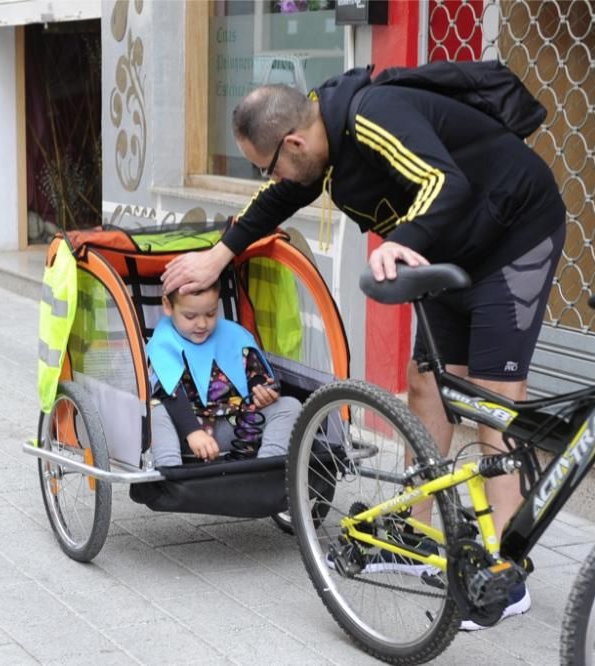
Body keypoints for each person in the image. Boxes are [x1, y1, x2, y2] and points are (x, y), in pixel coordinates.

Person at [161, 67, 567, 628]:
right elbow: (281, 195)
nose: (270, 174)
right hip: (453, 242)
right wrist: (221, 252)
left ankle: (507, 570)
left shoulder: (373, 115)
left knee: (494, 403)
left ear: (294, 142)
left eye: (268, 162)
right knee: (428, 382)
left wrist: (401, 241)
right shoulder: (319, 149)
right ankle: (417, 536)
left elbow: (444, 185)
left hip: (514, 229)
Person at [147, 282, 301, 468]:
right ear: (168, 306)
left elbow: (254, 373)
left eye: (211, 314)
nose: (202, 324)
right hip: (188, 433)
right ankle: (170, 474)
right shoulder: (162, 343)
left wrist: (262, 391)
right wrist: (192, 431)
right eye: (190, 316)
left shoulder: (234, 335)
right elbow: (169, 392)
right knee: (155, 411)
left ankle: (267, 468)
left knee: (290, 406)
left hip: (239, 427)